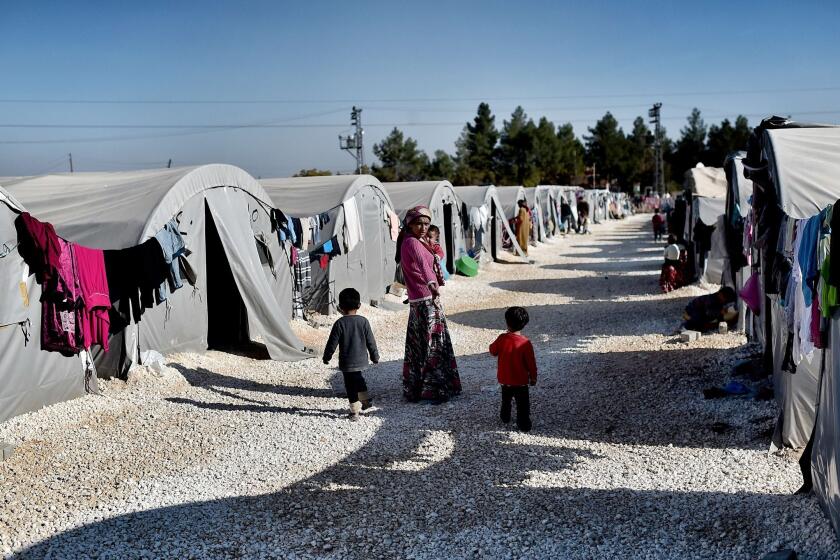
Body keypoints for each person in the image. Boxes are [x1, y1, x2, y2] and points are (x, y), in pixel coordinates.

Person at [395, 206, 461, 403]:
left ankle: (421, 388)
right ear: (410, 224)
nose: (423, 227)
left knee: (423, 344)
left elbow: (432, 256)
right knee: (432, 345)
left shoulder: (416, 241)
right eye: (419, 223)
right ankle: (435, 389)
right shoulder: (412, 243)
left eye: (426, 223)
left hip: (422, 299)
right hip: (425, 299)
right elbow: (424, 267)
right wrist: (432, 285)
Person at [322, 288, 379, 421]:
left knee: (350, 385)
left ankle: (354, 412)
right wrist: (374, 356)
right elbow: (371, 341)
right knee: (359, 379)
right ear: (359, 305)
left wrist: (327, 357)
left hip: (347, 362)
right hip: (361, 361)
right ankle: (365, 400)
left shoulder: (339, 323)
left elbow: (332, 343)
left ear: (340, 307)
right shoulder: (363, 321)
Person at [489, 307, 537, 432]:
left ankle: (505, 417)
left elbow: (493, 351)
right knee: (523, 404)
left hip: (505, 379)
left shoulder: (502, 338)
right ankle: (524, 423)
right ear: (524, 324)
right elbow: (531, 363)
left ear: (507, 322)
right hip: (521, 381)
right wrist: (533, 377)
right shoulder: (525, 343)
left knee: (506, 400)